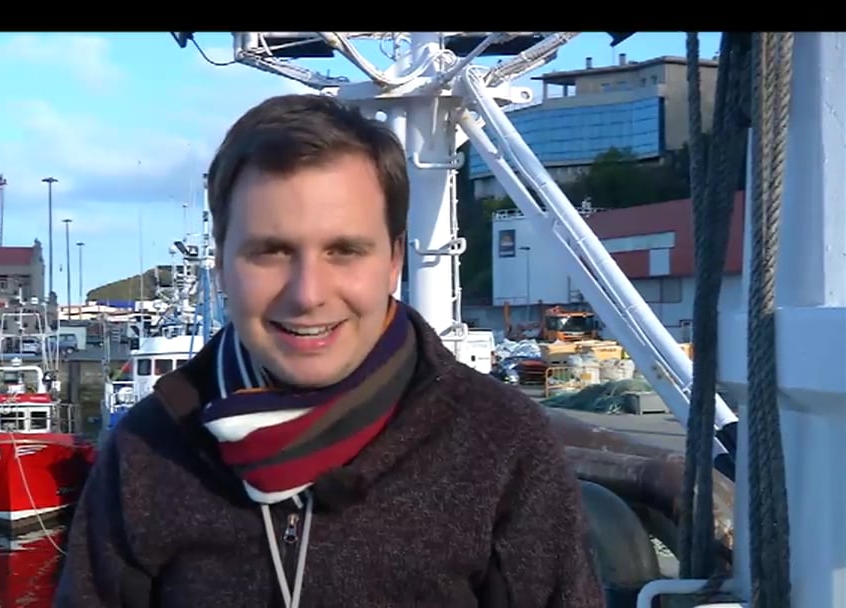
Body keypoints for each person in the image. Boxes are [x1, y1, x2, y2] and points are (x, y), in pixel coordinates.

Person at [53, 94, 604, 607]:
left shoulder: (502, 446)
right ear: (219, 266)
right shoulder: (147, 453)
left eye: (344, 250)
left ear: (392, 262)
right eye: (270, 252)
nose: (307, 293)